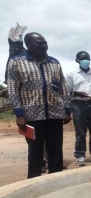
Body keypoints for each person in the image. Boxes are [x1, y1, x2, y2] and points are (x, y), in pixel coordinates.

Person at [7, 32, 71, 178]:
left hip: (55, 115)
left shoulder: (54, 62)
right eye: (39, 43)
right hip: (32, 116)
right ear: (28, 45)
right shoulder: (16, 62)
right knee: (35, 152)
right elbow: (13, 90)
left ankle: (56, 182)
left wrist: (67, 110)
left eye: (45, 43)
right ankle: (34, 182)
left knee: (56, 151)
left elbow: (64, 88)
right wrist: (19, 114)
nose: (44, 46)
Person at [66, 51, 91, 166]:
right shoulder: (71, 74)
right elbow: (67, 90)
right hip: (78, 105)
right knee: (80, 133)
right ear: (77, 61)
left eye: (88, 59)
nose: (86, 61)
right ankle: (80, 155)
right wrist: (77, 93)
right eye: (83, 59)